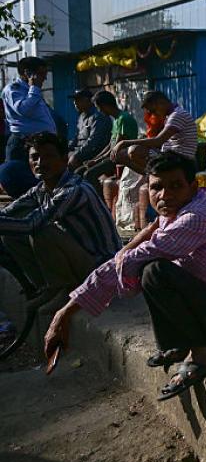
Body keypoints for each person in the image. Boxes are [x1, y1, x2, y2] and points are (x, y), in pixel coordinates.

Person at [45, 151, 206, 399]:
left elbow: (129, 261)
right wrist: (126, 249)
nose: (165, 195)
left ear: (193, 186)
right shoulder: (183, 209)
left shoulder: (195, 218)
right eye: (157, 187)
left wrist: (65, 313)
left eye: (175, 186)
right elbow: (150, 231)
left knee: (154, 271)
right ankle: (177, 345)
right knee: (149, 269)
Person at [0, 132, 120, 326]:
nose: (40, 162)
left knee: (41, 230)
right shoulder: (41, 189)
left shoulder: (74, 189)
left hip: (101, 268)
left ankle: (65, 288)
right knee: (10, 234)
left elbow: (32, 224)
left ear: (64, 160)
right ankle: (48, 288)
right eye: (35, 157)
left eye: (48, 156)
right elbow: (10, 212)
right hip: (79, 260)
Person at [111, 91, 198, 173]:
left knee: (133, 151)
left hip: (179, 159)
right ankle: (152, 175)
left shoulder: (176, 116)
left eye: (153, 111)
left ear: (160, 103)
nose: (154, 115)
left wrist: (124, 143)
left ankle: (154, 175)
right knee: (125, 154)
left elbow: (158, 141)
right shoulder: (171, 116)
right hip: (172, 155)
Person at [81, 91, 139, 191]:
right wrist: (95, 159)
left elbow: (117, 147)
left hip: (120, 157)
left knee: (89, 174)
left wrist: (97, 161)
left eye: (99, 108)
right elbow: (110, 144)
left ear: (104, 106)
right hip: (112, 156)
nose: (99, 111)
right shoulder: (116, 120)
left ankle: (99, 203)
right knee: (80, 170)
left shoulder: (124, 119)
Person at [2, 56, 56, 162]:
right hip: (23, 143)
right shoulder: (14, 89)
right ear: (27, 73)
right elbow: (23, 110)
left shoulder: (32, 91)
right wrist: (34, 88)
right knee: (20, 176)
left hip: (39, 142)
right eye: (41, 73)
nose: (44, 78)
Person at [66, 90, 113, 172]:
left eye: (78, 100)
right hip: (80, 151)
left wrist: (77, 155)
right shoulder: (82, 116)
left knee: (72, 168)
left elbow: (94, 141)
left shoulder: (98, 116)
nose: (75, 103)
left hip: (93, 154)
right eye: (74, 100)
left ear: (88, 100)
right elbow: (77, 138)